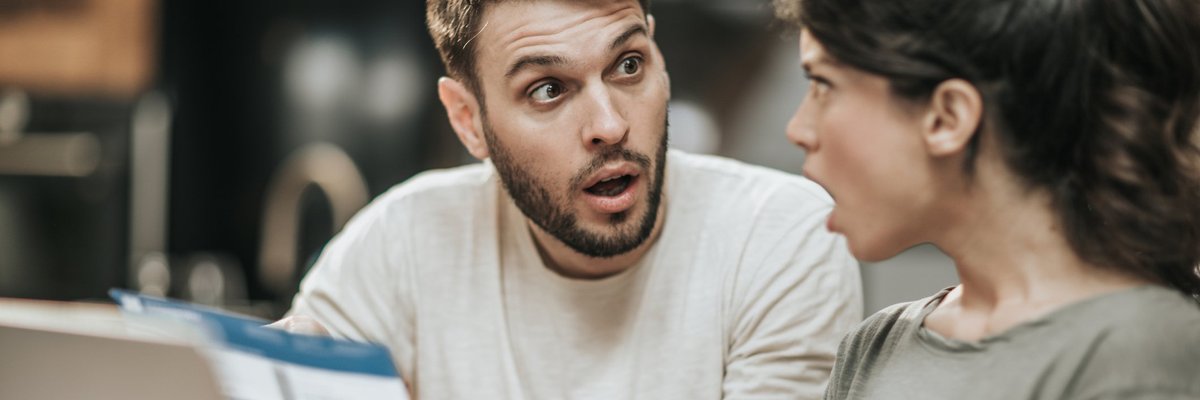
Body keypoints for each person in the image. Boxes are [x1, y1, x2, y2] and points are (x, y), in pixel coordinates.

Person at [277, 0, 864, 398]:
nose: (609, 125)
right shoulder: (398, 244)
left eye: (628, 65)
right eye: (548, 89)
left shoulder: (780, 238)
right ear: (469, 120)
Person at [773, 0, 1200, 398]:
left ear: (947, 117)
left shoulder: (1140, 351)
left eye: (823, 85)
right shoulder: (874, 344)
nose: (799, 129)